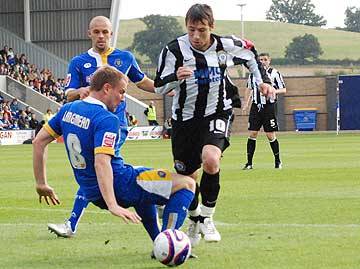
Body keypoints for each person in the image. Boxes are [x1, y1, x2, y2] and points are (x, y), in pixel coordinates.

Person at [33, 66, 195, 248]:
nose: (123, 98)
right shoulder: (107, 119)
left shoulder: (68, 109)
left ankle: (158, 241)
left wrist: (41, 183)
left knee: (142, 186)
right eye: (122, 92)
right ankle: (169, 244)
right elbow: (101, 162)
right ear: (107, 88)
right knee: (187, 184)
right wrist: (113, 205)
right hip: (119, 185)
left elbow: (39, 142)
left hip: (92, 193)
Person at [154, 3, 273, 246]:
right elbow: (159, 86)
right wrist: (174, 78)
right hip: (184, 121)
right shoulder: (173, 50)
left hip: (217, 111)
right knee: (187, 177)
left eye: (202, 30)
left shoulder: (226, 45)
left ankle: (207, 218)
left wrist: (263, 81)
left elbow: (251, 53)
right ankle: (195, 218)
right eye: (191, 31)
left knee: (211, 159)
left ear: (212, 27)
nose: (196, 36)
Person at [47, 15, 155, 238]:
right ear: (89, 34)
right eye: (96, 32)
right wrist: (80, 92)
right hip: (88, 124)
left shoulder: (125, 57)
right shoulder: (78, 62)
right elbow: (68, 94)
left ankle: (71, 224)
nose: (101, 36)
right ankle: (152, 194)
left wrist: (169, 87)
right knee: (98, 169)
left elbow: (143, 81)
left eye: (105, 32)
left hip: (115, 126)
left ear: (111, 33)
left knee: (96, 168)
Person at [242, 52, 286, 170]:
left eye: (265, 59)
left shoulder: (275, 73)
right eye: (260, 60)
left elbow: (284, 89)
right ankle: (249, 163)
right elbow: (249, 88)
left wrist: (273, 91)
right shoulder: (253, 74)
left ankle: (278, 161)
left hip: (269, 106)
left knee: (270, 134)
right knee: (252, 133)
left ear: (269, 60)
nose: (262, 61)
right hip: (256, 106)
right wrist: (246, 103)